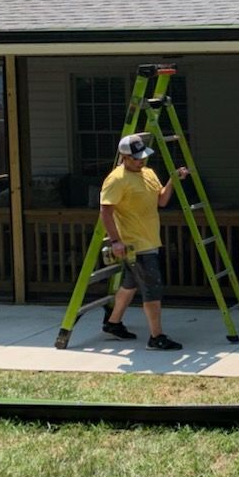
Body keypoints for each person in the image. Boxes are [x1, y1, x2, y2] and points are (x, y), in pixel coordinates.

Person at [98, 133, 188, 350]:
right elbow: (105, 212)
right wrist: (116, 241)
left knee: (130, 284)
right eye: (137, 158)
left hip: (150, 239)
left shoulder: (147, 173)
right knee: (152, 290)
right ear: (124, 157)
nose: (141, 161)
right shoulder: (116, 179)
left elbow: (162, 200)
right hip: (135, 244)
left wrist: (173, 179)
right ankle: (156, 337)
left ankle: (113, 323)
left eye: (143, 157)